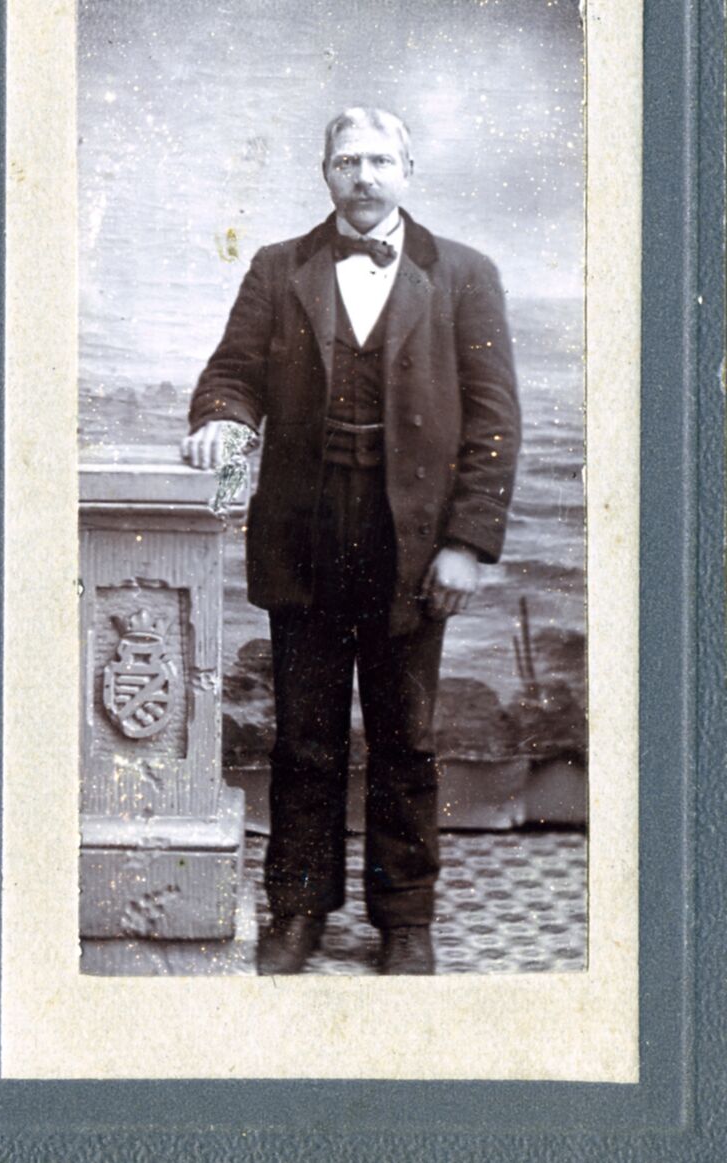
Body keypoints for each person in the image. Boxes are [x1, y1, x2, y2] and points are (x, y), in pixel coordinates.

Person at [181, 107, 520, 975]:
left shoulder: (465, 274)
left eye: (378, 160)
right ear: (325, 172)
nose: (363, 176)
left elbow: (494, 421)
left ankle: (406, 917)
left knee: (406, 737)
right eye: (346, 162)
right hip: (305, 532)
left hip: (413, 543)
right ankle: (297, 910)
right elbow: (231, 374)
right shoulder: (277, 267)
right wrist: (222, 421)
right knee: (304, 736)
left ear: (407, 169)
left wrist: (467, 542)